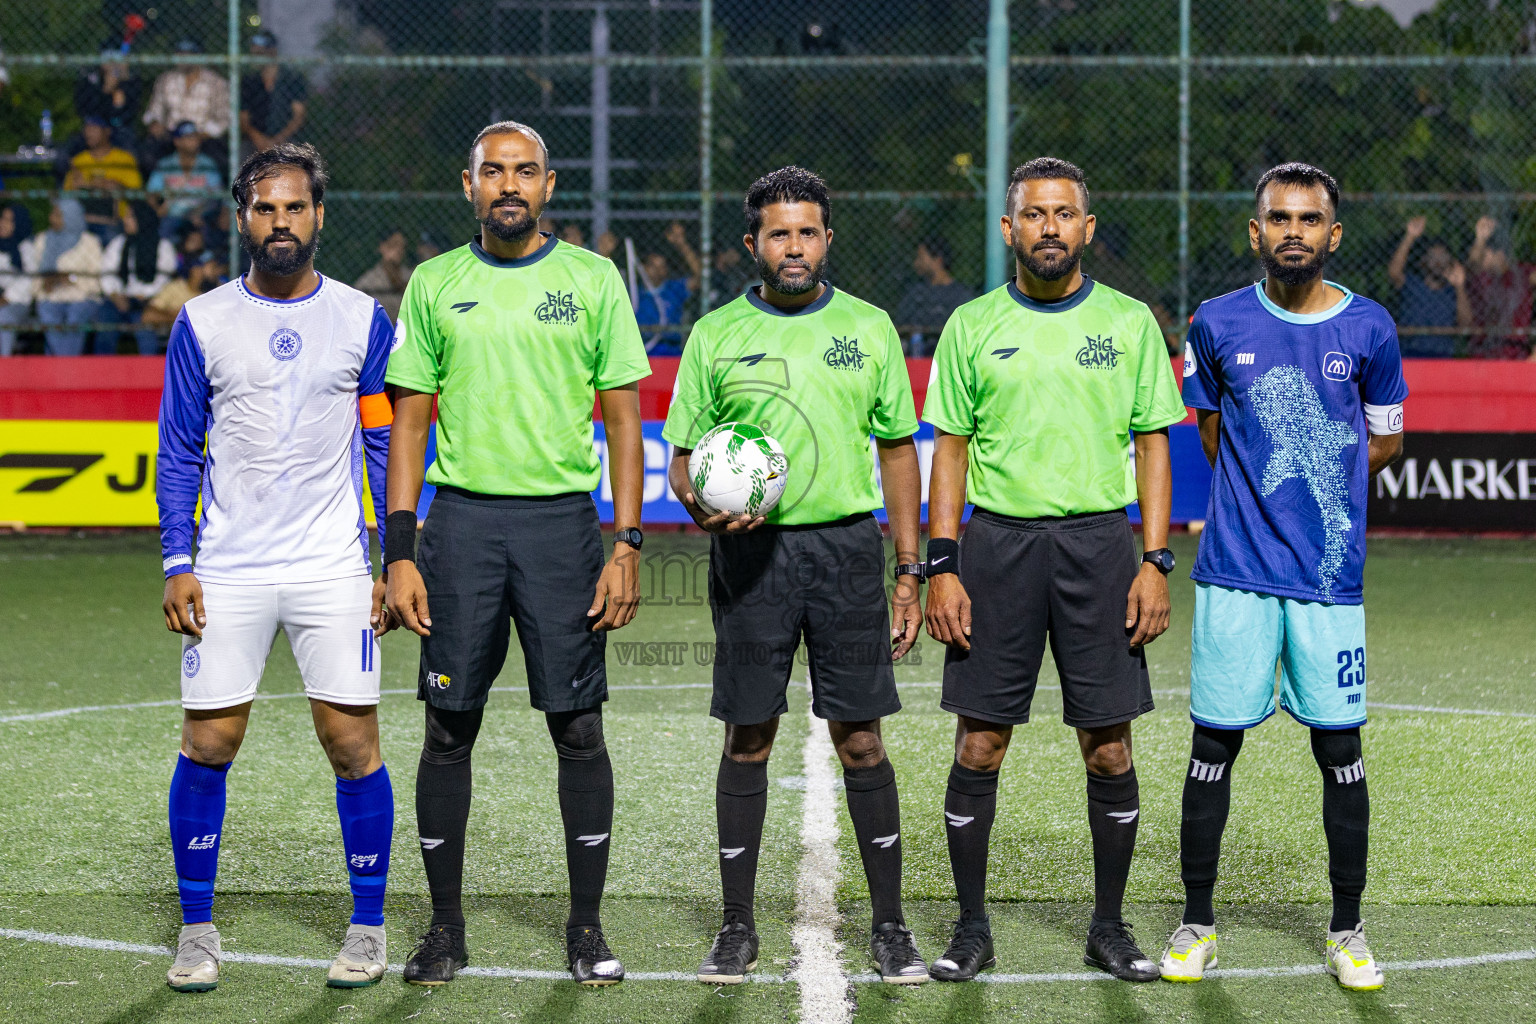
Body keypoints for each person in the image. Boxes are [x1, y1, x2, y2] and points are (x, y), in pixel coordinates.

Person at [383, 120, 649, 988]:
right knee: (447, 728)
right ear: (469, 186)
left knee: (577, 727)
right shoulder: (433, 283)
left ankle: (585, 927)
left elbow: (620, 419)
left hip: (563, 529)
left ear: (549, 184)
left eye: (524, 171)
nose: (508, 184)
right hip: (458, 529)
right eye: (492, 171)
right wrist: (401, 549)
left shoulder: (592, 279)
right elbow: (409, 423)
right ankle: (445, 930)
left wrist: (628, 542)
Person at [663, 166, 929, 986]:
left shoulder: (870, 327)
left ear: (826, 241)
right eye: (779, 233)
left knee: (861, 739)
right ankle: (736, 928)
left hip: (848, 554)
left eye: (808, 232)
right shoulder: (713, 335)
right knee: (749, 736)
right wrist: (702, 505)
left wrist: (910, 571)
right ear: (753, 244)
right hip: (752, 558)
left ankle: (890, 929)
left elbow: (897, 453)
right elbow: (680, 463)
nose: (794, 247)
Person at [922, 157, 1184, 983]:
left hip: (1101, 550)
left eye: (1064, 214)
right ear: (1009, 230)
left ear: (1087, 228)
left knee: (1108, 747)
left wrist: (1154, 560)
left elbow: (1152, 444)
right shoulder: (969, 325)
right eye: (1034, 215)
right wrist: (942, 564)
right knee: (980, 743)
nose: (1049, 228)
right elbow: (950, 451)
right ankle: (971, 930)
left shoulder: (1131, 323)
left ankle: (1109, 927)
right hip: (997, 548)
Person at [156, 143, 397, 993]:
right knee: (209, 741)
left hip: (333, 565)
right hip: (227, 567)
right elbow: (180, 447)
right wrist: (177, 559)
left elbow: (382, 442)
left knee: (351, 742)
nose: (281, 223)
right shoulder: (203, 321)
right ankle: (196, 928)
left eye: (295, 208)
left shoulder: (365, 320)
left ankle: (367, 928)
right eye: (265, 208)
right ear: (242, 217)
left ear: (319, 215)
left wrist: (394, 558)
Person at [1161, 162, 1407, 991]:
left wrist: (1317, 492)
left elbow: (1384, 443)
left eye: (1310, 219)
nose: (1294, 231)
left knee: (1340, 747)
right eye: (1279, 217)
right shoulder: (1216, 322)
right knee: (1212, 746)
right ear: (1255, 230)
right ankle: (1197, 923)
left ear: (1333, 236)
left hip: (1330, 583)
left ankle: (1348, 928)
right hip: (1234, 574)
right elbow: (1211, 430)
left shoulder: (1371, 328)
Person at [23, 197, 104, 356]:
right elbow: (34, 275)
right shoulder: (43, 239)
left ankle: (62, 363)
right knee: (47, 312)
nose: (51, 219)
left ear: (71, 216)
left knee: (76, 315)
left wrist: (72, 279)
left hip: (82, 296)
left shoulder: (89, 242)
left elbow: (97, 281)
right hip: (52, 294)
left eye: (58, 215)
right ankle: (68, 364)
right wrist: (44, 283)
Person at [99, 200, 177, 353]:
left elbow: (165, 279)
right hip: (120, 298)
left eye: (130, 216)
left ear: (141, 219)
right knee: (105, 320)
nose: (125, 220)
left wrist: (145, 295)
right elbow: (107, 273)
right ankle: (101, 371)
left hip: (148, 300)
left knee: (144, 327)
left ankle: (149, 371)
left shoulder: (163, 246)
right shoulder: (119, 243)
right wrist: (115, 294)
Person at [1386, 216, 1470, 357]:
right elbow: (1394, 273)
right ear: (1423, 261)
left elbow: (1466, 323)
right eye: (1433, 257)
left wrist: (1460, 286)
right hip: (1410, 354)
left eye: (1442, 258)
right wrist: (1410, 237)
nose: (1438, 262)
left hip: (1442, 356)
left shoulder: (1452, 292)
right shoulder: (1413, 285)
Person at [142, 39, 229, 165]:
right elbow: (155, 110)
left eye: (189, 54)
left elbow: (223, 117)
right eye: (180, 53)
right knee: (148, 153)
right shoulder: (166, 79)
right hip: (172, 135)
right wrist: (155, 123)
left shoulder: (216, 82)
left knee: (220, 157)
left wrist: (200, 135)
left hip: (203, 136)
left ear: (199, 56)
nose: (183, 58)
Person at [1464, 215, 1536, 360]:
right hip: (1483, 352)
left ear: (1500, 255)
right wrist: (1480, 238)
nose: (1483, 262)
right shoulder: (1481, 278)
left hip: (1517, 352)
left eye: (1486, 256)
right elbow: (1473, 265)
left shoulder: (1522, 273)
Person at [64, 115, 144, 241]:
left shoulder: (125, 159)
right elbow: (67, 196)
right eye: (87, 129)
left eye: (94, 129)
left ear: (107, 131)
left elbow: (136, 194)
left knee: (110, 234)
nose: (88, 133)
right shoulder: (79, 161)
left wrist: (116, 186)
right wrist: (86, 186)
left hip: (115, 221)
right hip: (83, 219)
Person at [894, 236, 975, 355]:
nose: (916, 263)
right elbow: (900, 327)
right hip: (916, 359)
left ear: (938, 260)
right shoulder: (916, 293)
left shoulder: (961, 296)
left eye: (921, 258)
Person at [635, 220, 701, 354]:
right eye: (653, 266)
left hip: (670, 351)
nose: (657, 270)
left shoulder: (674, 289)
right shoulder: (633, 291)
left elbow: (700, 277)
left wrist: (682, 245)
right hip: (640, 352)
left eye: (662, 267)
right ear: (644, 268)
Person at [238, 31, 308, 155]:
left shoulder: (292, 78)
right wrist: (259, 139)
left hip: (287, 139)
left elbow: (299, 116)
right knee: (243, 154)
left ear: (273, 51)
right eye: (255, 52)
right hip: (255, 141)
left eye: (261, 52)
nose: (256, 55)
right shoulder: (248, 82)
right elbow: (243, 119)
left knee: (296, 153)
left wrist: (278, 140)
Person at [147, 122, 225, 233]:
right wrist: (157, 211)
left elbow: (217, 196)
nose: (194, 141)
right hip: (171, 218)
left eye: (195, 137)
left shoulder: (207, 164)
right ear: (177, 141)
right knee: (163, 228)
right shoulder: (166, 165)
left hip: (199, 217)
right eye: (189, 137)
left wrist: (198, 213)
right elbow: (152, 193)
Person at [73, 46, 142, 147]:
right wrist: (106, 91)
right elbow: (85, 109)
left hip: (122, 130)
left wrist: (119, 102)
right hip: (96, 126)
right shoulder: (91, 80)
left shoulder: (132, 82)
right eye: (110, 61)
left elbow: (130, 113)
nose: (114, 67)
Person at [141, 249, 225, 329]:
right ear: (195, 270)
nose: (217, 271)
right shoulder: (176, 287)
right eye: (213, 267)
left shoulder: (216, 291)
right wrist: (184, 318)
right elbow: (148, 316)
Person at [353, 228, 412, 320]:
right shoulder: (368, 281)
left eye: (402, 246)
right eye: (394, 245)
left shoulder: (411, 276)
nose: (399, 250)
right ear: (382, 247)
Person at [0, 203, 34, 356]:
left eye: (9, 220)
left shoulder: (26, 247)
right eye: (2, 218)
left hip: (16, 303)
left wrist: (6, 298)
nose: (2, 223)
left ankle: (4, 364)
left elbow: (29, 279)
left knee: (3, 315)